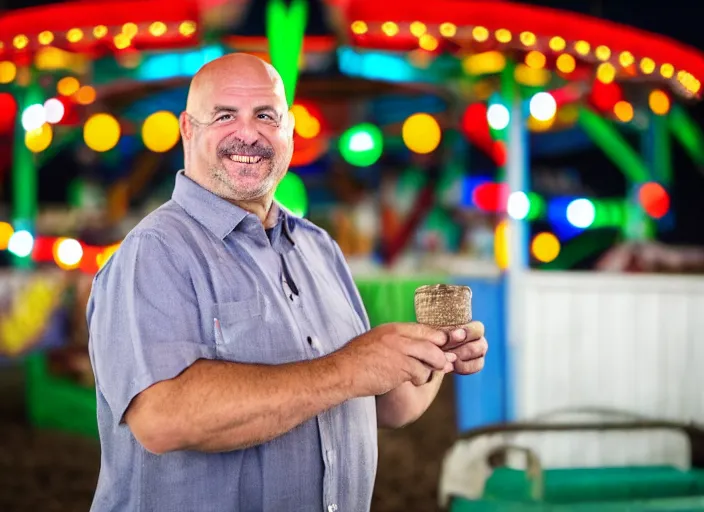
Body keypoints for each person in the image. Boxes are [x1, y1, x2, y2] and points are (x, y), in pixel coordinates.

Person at [86, 53, 488, 512]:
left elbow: (384, 406)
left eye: (265, 115)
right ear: (187, 130)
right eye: (224, 116)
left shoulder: (318, 248)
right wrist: (349, 367)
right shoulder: (154, 251)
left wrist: (435, 353)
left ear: (290, 130)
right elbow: (163, 419)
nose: (248, 133)